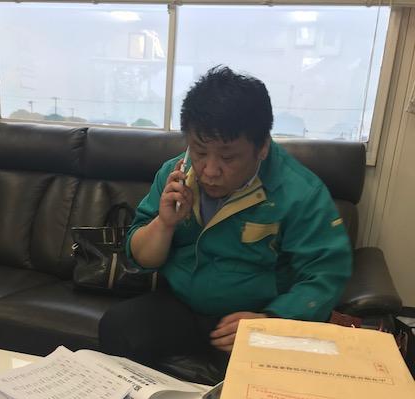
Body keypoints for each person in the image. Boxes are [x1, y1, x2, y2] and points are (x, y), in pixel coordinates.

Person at [99, 66, 352, 372]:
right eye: (199, 152)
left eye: (228, 157)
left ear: (262, 147)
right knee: (118, 327)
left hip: (255, 315)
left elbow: (325, 274)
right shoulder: (175, 175)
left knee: (258, 373)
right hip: (182, 304)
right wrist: (164, 224)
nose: (209, 170)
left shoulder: (299, 192)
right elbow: (141, 257)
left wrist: (271, 321)